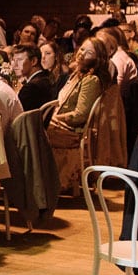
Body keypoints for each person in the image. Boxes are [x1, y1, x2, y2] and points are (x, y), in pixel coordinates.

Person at [47, 38, 111, 192]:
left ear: (98, 58)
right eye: (82, 49)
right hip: (61, 124)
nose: (82, 54)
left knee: (33, 132)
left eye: (89, 52)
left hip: (70, 131)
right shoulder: (77, 74)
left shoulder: (91, 80)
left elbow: (80, 115)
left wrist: (55, 118)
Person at [13, 43, 55, 111]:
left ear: (33, 61)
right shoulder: (47, 78)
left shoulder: (30, 88)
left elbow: (16, 114)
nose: (15, 65)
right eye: (14, 60)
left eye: (20, 60)